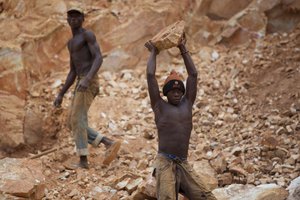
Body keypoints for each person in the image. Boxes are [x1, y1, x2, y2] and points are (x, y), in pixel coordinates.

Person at [145, 34, 217, 200]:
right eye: (172, 91)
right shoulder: (159, 106)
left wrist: (182, 48)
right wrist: (153, 52)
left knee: (207, 196)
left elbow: (193, 74)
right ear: (166, 94)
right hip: (165, 162)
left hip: (183, 163)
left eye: (179, 91)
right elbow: (150, 76)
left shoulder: (187, 104)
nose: (176, 94)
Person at [53, 7, 121, 169]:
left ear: (83, 18)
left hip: (89, 81)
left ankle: (83, 160)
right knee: (71, 122)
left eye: (77, 16)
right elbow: (72, 71)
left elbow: (98, 57)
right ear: (67, 20)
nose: (74, 19)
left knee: (78, 119)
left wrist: (88, 78)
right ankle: (107, 142)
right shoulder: (71, 43)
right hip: (80, 80)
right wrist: (61, 94)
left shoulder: (87, 35)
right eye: (71, 16)